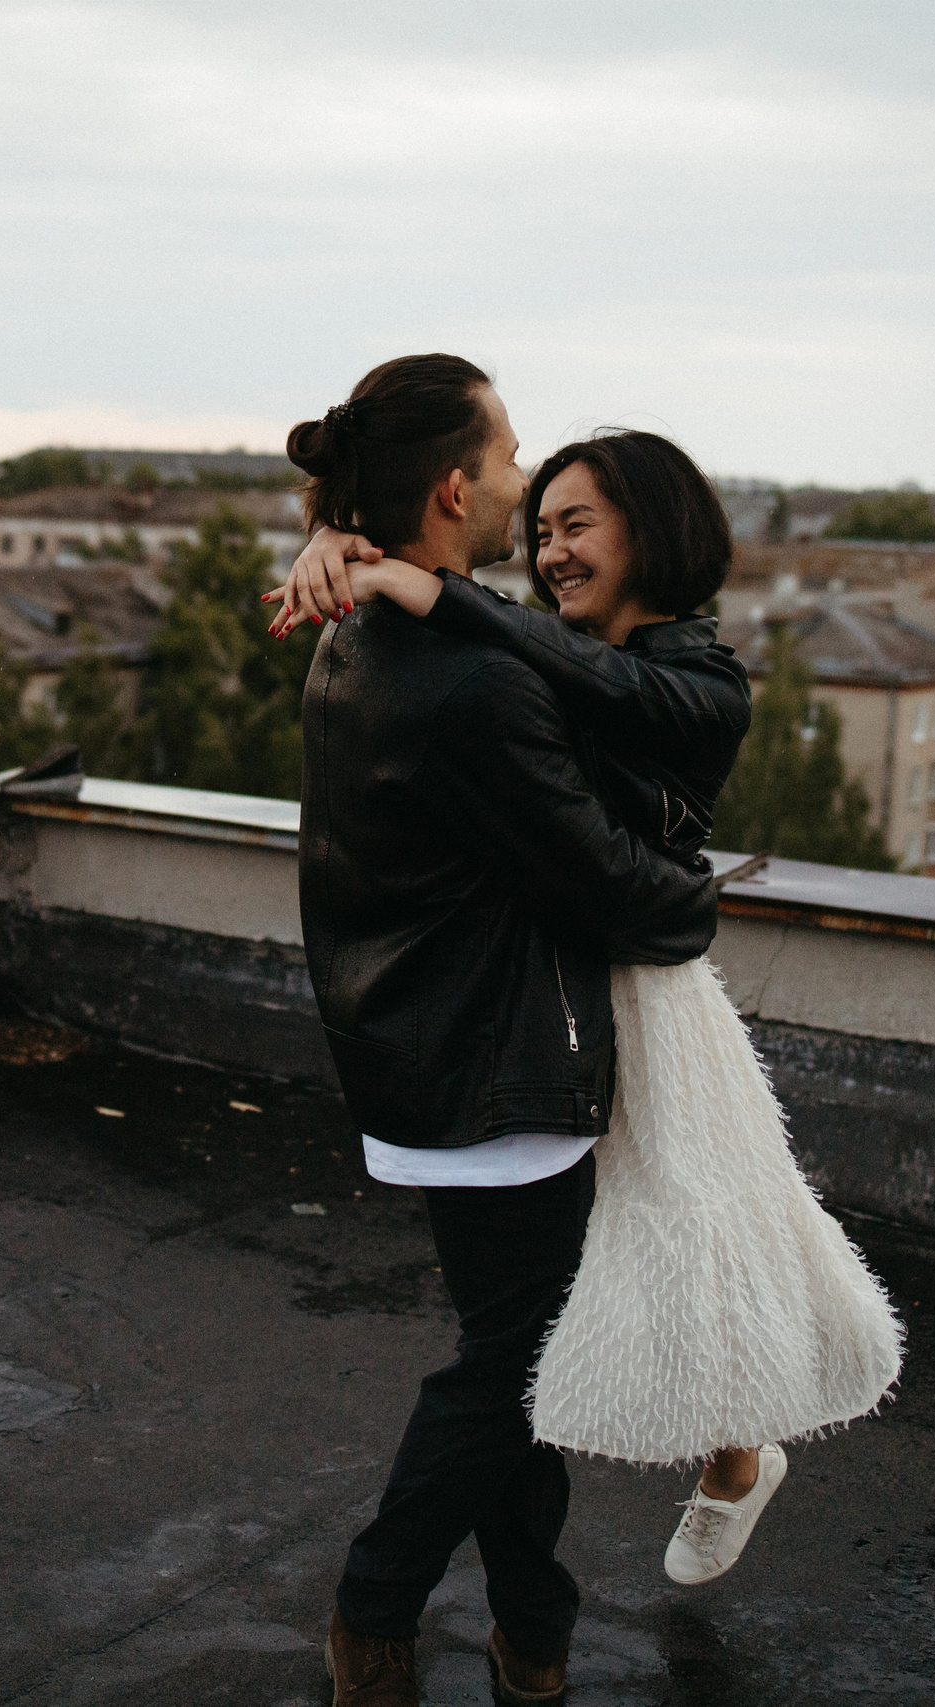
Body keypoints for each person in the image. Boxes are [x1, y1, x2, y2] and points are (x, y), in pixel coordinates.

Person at [272, 429, 903, 1598]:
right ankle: (574, 1573)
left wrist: (438, 596)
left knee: (690, 1247)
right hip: (535, 996)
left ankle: (728, 1461)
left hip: (647, 998)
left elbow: (601, 685)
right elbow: (482, 627)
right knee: (570, 1301)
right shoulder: (539, 642)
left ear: (651, 534)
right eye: (542, 527)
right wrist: (339, 540)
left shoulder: (699, 679)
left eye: (579, 527)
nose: (551, 552)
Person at [289, 361, 724, 1707]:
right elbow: (608, 885)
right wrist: (697, 894)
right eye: (512, 455)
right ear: (453, 487)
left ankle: (535, 1630)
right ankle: (377, 1605)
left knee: (517, 1355)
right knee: (516, 1372)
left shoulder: (361, 631)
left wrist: (333, 538)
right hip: (501, 1076)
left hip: (421, 1055)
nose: (528, 488)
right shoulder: (472, 680)